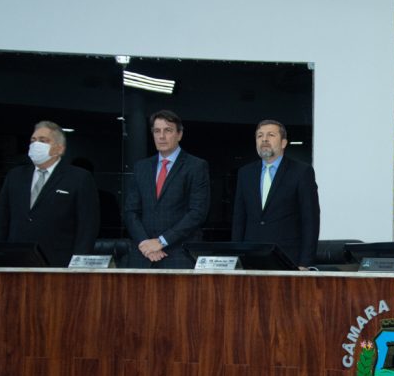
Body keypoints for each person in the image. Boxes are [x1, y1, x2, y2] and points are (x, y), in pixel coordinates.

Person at [0, 121, 100, 267]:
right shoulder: (15, 176)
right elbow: (1, 220)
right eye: (33, 140)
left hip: (58, 262)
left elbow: (87, 227)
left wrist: (78, 264)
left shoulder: (79, 178)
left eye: (43, 141)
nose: (36, 145)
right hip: (15, 260)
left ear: (59, 148)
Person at [123, 110, 210, 268]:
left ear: (179, 134)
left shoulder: (196, 166)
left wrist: (161, 241)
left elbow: (197, 213)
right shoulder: (141, 167)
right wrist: (145, 244)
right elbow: (131, 211)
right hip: (142, 255)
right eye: (157, 131)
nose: (161, 136)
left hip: (179, 255)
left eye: (168, 130)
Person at [231, 119, 320, 268]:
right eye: (259, 136)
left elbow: (310, 220)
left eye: (270, 135)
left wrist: (305, 263)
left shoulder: (301, 172)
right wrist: (235, 257)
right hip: (251, 258)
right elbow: (239, 218)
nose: (264, 139)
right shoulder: (245, 173)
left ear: (284, 143)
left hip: (288, 258)